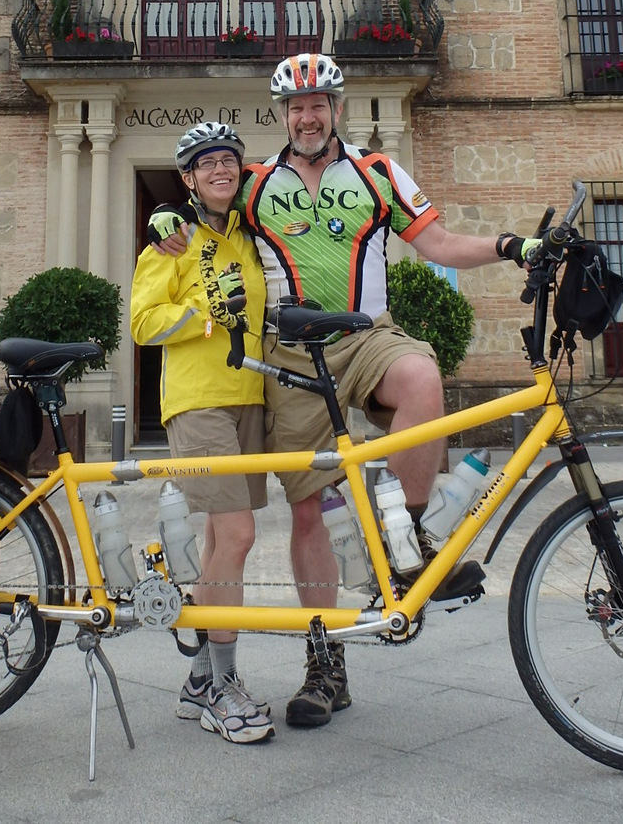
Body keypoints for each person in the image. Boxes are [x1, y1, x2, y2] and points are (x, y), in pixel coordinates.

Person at [148, 55, 536, 730]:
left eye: (318, 103)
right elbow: (201, 204)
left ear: (336, 107)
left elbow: (439, 241)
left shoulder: (379, 172)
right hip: (293, 354)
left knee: (420, 375)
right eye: (295, 106)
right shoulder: (255, 182)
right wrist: (162, 218)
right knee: (309, 514)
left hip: (366, 336)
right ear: (283, 115)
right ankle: (326, 663)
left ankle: (407, 548)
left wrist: (512, 244)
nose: (307, 115)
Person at [130, 121, 274, 744]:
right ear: (188, 178)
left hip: (250, 398)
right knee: (239, 535)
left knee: (222, 537)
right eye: (206, 163)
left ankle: (198, 679)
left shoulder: (250, 236)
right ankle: (222, 685)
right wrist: (202, 317)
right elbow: (142, 323)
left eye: (229, 160)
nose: (221, 169)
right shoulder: (172, 243)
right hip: (197, 403)